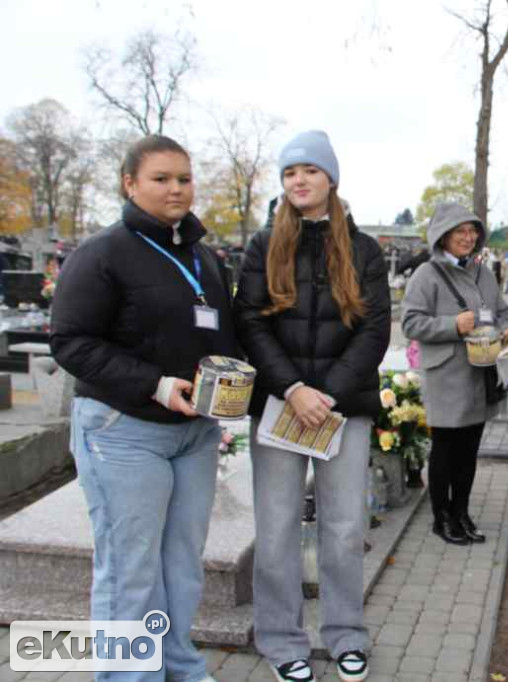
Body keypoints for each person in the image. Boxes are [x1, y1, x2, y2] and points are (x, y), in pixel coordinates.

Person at [50, 135, 238, 682]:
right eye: (161, 178)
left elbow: (219, 333)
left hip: (194, 434)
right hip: (123, 431)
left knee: (182, 565)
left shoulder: (203, 256)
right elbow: (72, 343)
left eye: (184, 177)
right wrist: (156, 384)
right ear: (130, 184)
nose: (176, 188)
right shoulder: (102, 254)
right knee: (131, 569)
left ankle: (178, 665)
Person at [234, 130, 390, 682]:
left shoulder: (365, 249)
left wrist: (328, 395)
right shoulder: (262, 246)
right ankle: (281, 640)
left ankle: (346, 634)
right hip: (280, 407)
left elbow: (374, 330)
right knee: (276, 529)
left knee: (344, 527)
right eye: (289, 172)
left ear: (331, 179)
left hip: (342, 409)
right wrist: (291, 390)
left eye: (310, 171)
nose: (299, 180)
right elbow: (249, 322)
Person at [402, 202, 508, 545]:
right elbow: (410, 323)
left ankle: (461, 512)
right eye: (460, 232)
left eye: (472, 231)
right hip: (447, 376)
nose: (468, 237)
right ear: (443, 236)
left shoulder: (483, 272)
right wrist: (452, 324)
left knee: (469, 451)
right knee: (446, 451)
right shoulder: (426, 274)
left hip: (481, 373)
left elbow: (502, 311)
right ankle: (441, 518)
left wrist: (507, 330)